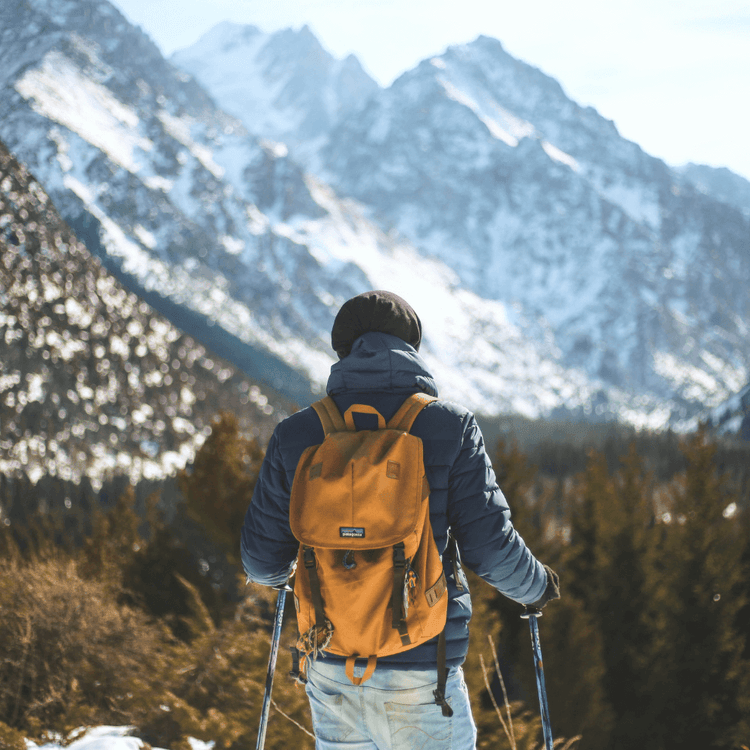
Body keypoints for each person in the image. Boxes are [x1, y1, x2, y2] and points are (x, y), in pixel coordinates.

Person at [241, 290, 560, 750]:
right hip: (422, 669)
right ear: (411, 348)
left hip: (331, 664)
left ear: (343, 350)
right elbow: (490, 547)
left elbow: (261, 563)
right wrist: (536, 588)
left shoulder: (297, 435)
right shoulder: (450, 427)